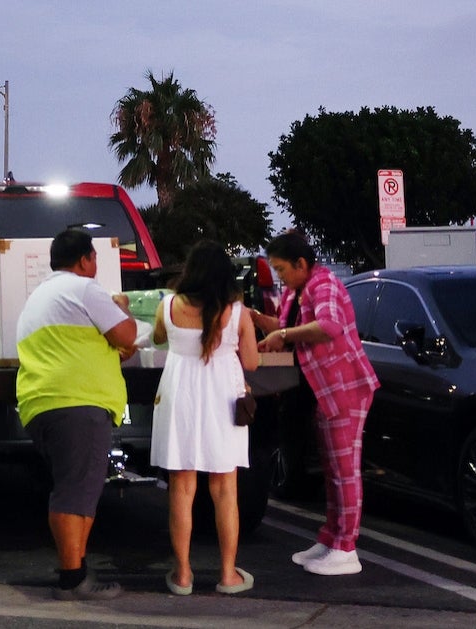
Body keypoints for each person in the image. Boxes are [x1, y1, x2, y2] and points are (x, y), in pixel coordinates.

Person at [15, 227, 139, 602]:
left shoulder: (40, 295)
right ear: (86, 259)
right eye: (95, 258)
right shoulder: (85, 289)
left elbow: (87, 344)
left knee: (79, 490)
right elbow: (128, 334)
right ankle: (73, 580)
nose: (96, 265)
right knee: (74, 491)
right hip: (77, 404)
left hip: (45, 402)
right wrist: (122, 308)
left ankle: (78, 568)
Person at [251, 231, 377, 576]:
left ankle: (346, 547)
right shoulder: (300, 290)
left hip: (344, 388)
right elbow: (289, 326)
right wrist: (265, 323)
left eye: (281, 269)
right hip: (325, 390)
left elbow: (329, 326)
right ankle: (332, 539)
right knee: (332, 470)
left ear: (300, 264)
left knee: (344, 471)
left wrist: (283, 335)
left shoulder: (325, 285)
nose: (279, 277)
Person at [148, 241, 260, 595]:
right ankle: (228, 574)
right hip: (222, 397)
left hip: (179, 395)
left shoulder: (167, 306)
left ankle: (183, 574)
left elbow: (158, 339)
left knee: (181, 490)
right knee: (225, 490)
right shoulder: (238, 313)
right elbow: (253, 363)